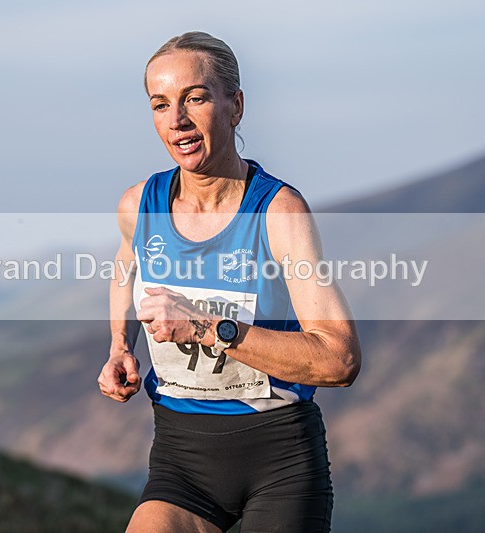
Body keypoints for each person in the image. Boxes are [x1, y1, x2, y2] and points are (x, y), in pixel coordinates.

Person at [98, 31, 361, 533]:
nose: (176, 119)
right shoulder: (139, 205)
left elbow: (340, 359)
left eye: (195, 98)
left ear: (235, 105)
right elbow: (125, 270)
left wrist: (204, 328)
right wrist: (118, 346)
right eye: (160, 104)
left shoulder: (278, 213)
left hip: (279, 459)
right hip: (182, 459)